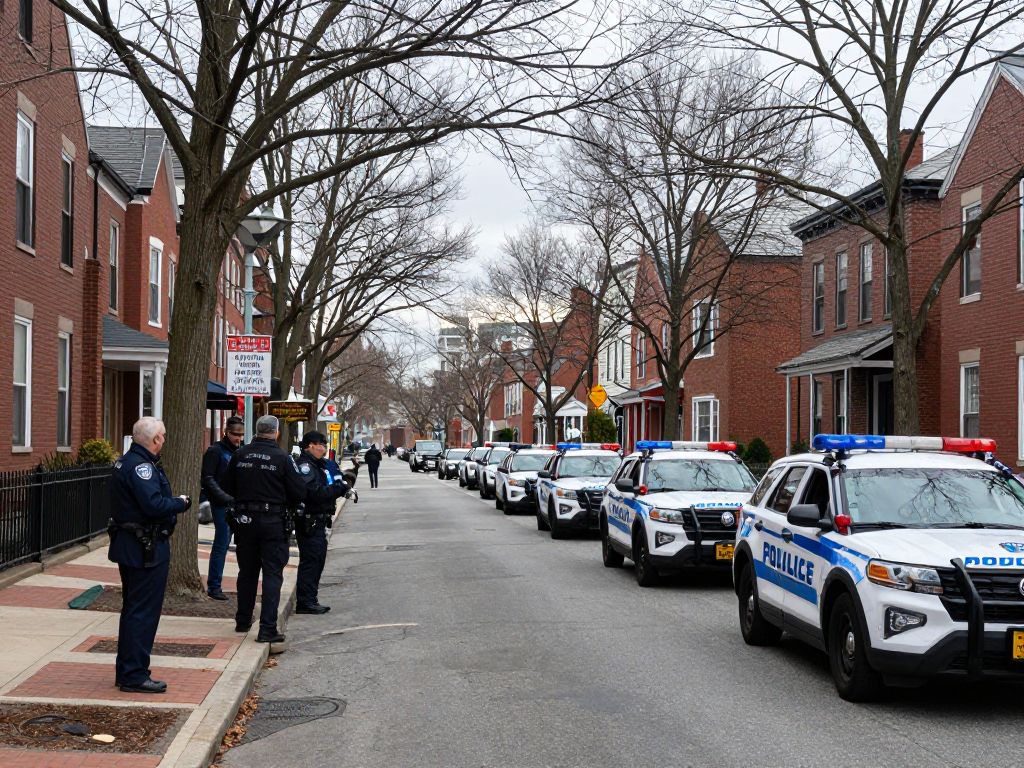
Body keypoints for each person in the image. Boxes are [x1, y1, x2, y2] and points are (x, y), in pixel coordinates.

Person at [107, 417, 190, 693]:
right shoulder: (141, 467)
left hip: (133, 546)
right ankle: (134, 674)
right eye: (163, 436)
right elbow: (152, 504)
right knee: (142, 612)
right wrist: (179, 503)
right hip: (144, 549)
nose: (164, 440)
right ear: (155, 440)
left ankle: (129, 670)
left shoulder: (127, 461)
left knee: (133, 610)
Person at [223, 415, 307, 644]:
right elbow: (299, 491)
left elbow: (227, 486)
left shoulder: (239, 455)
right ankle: (267, 628)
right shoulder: (282, 458)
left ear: (256, 431)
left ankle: (242, 620)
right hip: (272, 522)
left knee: (247, 572)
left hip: (245, 521)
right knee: (272, 573)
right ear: (276, 432)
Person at [295, 431, 349, 614]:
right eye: (321, 445)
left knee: (317, 560)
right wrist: (337, 489)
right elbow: (314, 493)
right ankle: (305, 602)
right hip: (309, 521)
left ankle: (311, 598)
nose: (324, 449)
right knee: (311, 561)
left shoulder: (319, 465)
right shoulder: (305, 466)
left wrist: (340, 485)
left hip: (319, 520)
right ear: (310, 445)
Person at [200, 415, 245, 600]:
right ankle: (214, 586)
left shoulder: (240, 451)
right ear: (226, 432)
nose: (238, 438)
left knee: (235, 545)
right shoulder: (215, 451)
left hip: (237, 504)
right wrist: (224, 498)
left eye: (241, 434)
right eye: (235, 434)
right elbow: (208, 479)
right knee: (221, 544)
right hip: (222, 505)